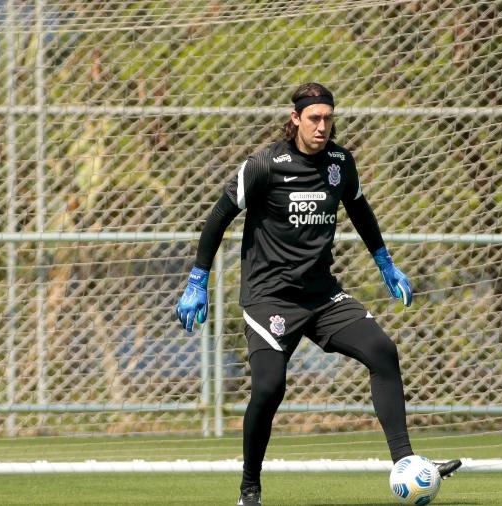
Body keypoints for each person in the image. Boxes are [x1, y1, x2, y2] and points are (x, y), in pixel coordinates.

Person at [176, 83, 460, 506]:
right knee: (270, 388)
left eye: (328, 118)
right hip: (269, 297)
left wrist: (385, 262)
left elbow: (360, 209)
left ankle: (406, 463)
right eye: (314, 118)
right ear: (295, 120)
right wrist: (197, 281)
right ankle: (249, 489)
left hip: (323, 295)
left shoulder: (341, 163)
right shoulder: (264, 165)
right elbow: (219, 215)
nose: (322, 126)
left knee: (382, 351)